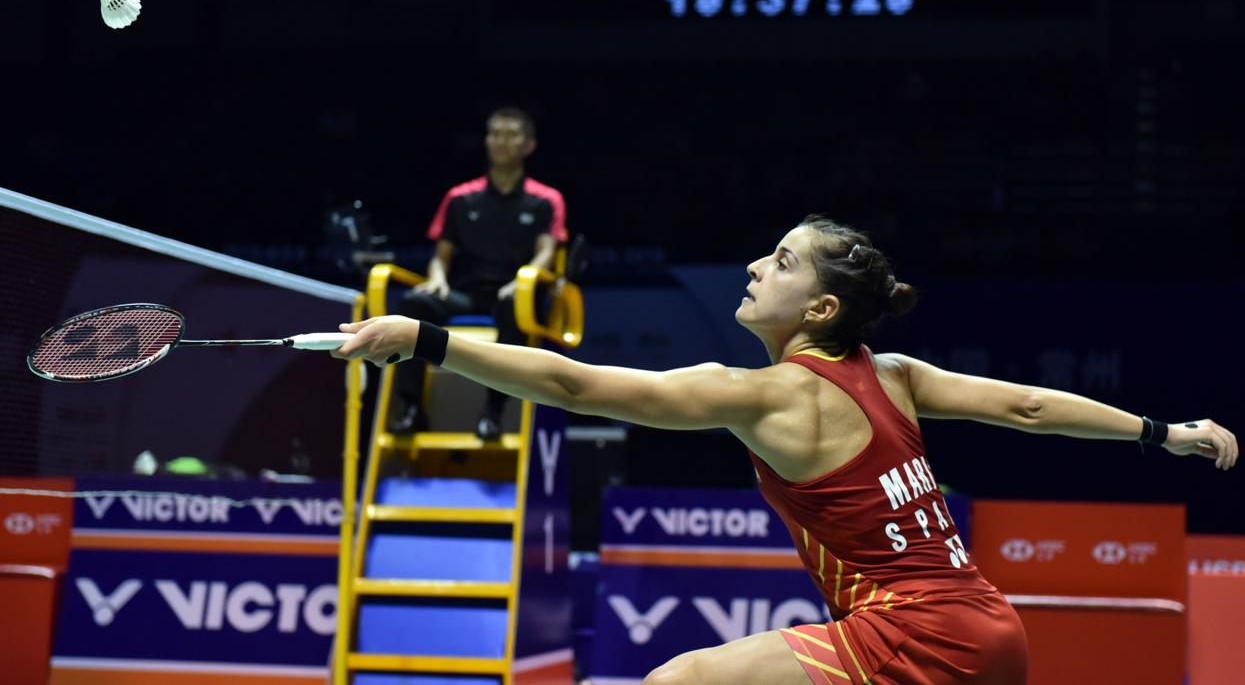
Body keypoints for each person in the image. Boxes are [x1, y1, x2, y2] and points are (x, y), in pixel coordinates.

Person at [334, 215, 1237, 684]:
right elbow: (1031, 409)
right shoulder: (894, 373)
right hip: (992, 632)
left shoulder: (763, 396)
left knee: (680, 678)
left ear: (819, 311)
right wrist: (1166, 434)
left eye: (781, 261)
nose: (756, 269)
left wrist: (428, 339)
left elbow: (572, 384)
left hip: (917, 638)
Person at [391, 106, 567, 439]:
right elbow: (441, 257)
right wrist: (438, 278)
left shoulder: (545, 200)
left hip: (515, 296)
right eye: (494, 134)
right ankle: (411, 408)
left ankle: (493, 414)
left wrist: (521, 280)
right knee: (414, 304)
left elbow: (547, 250)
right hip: (466, 295)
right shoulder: (460, 197)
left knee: (512, 307)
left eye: (511, 135)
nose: (501, 142)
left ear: (528, 145)